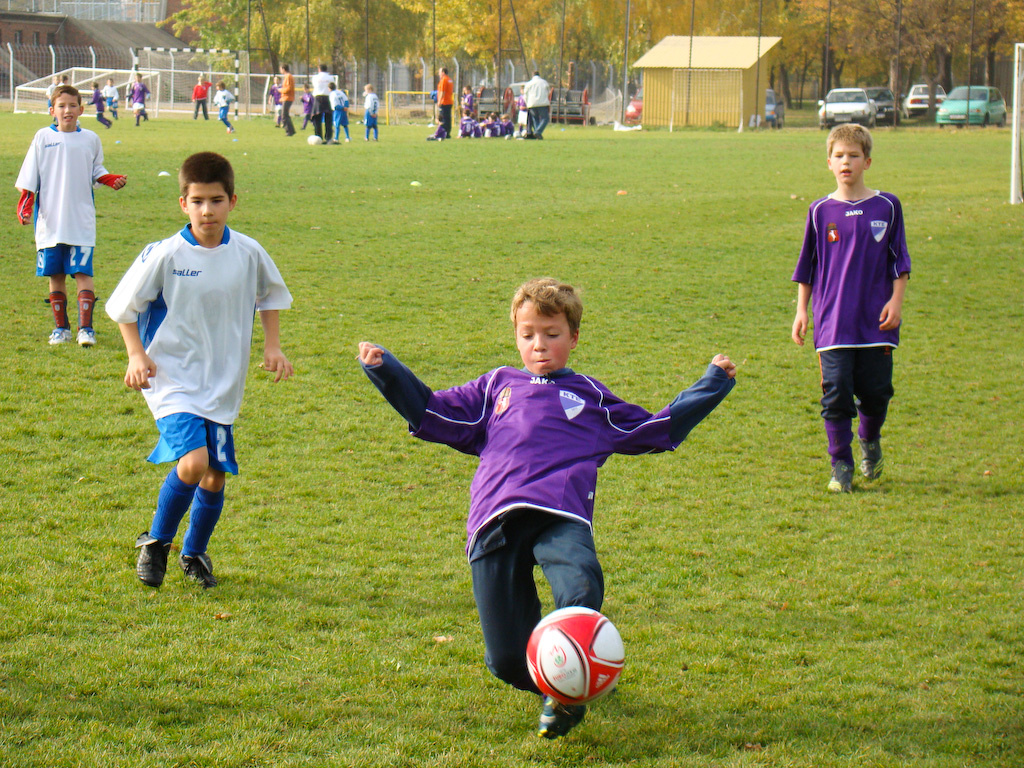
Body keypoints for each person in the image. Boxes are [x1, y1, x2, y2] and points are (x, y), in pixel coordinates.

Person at [357, 277, 736, 739]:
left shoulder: (591, 396)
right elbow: (434, 414)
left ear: (573, 337)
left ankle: (569, 689)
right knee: (504, 660)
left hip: (560, 514)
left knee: (579, 583)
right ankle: (567, 679)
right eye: (528, 334)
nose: (539, 345)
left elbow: (655, 429)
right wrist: (387, 370)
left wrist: (712, 384)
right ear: (516, 334)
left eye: (552, 334)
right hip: (495, 519)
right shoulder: (497, 386)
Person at [105, 151, 293, 590]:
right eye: (197, 201)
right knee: (193, 463)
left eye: (216, 200)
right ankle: (156, 543)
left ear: (232, 201)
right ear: (182, 204)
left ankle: (194, 552)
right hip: (171, 378)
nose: (206, 210)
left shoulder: (248, 252)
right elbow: (122, 307)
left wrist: (272, 346)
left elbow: (270, 296)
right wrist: (136, 355)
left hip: (223, 382)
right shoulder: (166, 254)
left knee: (215, 472)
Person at [791, 124, 911, 493]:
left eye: (854, 155)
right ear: (829, 163)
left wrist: (896, 300)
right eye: (840, 156)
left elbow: (899, 260)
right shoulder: (819, 211)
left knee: (876, 393)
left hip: (876, 321)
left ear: (867, 161)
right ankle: (841, 464)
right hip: (833, 321)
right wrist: (802, 311)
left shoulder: (887, 206)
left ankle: (869, 441)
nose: (847, 162)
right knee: (836, 393)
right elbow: (807, 267)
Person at [15, 84, 127, 346]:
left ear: (81, 109)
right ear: (52, 110)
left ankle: (86, 330)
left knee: (82, 272)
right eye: (61, 106)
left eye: (72, 105)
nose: (67, 110)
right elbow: (30, 175)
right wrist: (25, 205)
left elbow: (96, 170)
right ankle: (61, 329)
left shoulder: (90, 139)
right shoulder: (42, 137)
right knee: (55, 275)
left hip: (81, 220)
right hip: (50, 221)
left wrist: (110, 180)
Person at [523, 71, 551, 139]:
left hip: (531, 104)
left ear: (532, 75)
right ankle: (538, 132)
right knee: (545, 118)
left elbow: (525, 95)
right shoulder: (544, 82)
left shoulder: (528, 83)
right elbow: (549, 92)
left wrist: (527, 103)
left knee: (535, 119)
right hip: (542, 103)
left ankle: (537, 134)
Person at [311, 64, 334, 142]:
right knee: (328, 119)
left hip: (318, 97)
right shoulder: (331, 78)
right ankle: (328, 137)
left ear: (319, 69)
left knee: (317, 118)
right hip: (328, 97)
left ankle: (318, 136)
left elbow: (314, 85)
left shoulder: (315, 77)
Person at [437, 67, 454, 138]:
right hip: (449, 101)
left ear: (443, 72)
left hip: (444, 102)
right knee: (448, 118)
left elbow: (442, 92)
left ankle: (443, 133)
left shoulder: (444, 80)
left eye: (440, 72)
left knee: (443, 118)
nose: (439, 74)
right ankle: (448, 132)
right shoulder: (450, 80)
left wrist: (439, 101)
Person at [279, 64, 296, 136]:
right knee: (285, 114)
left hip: (288, 98)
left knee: (284, 115)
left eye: (280, 68)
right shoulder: (287, 76)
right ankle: (291, 130)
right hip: (286, 97)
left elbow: (289, 88)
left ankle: (289, 131)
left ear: (283, 69)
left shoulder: (288, 76)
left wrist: (281, 90)